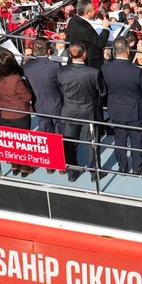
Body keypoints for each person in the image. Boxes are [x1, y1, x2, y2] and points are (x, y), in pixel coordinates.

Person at [102, 38, 142, 176]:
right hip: (135, 110)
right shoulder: (136, 71)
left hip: (116, 109)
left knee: (119, 139)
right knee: (136, 140)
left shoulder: (106, 68)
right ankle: (137, 167)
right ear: (128, 50)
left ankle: (122, 166)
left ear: (115, 51)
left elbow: (104, 89)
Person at [57, 43, 104, 181]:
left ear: (70, 55)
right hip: (89, 112)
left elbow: (61, 88)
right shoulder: (93, 72)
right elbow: (102, 92)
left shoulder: (62, 71)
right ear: (84, 54)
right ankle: (95, 173)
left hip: (70, 111)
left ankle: (72, 173)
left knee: (70, 143)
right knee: (92, 143)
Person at [0, 51, 35, 177]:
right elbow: (27, 97)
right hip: (20, 113)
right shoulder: (15, 79)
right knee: (23, 142)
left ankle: (15, 165)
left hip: (4, 112)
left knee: (11, 141)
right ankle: (25, 168)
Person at [23, 38, 64, 138]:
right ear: (49, 51)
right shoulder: (56, 66)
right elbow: (62, 84)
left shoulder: (27, 66)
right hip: (56, 104)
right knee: (60, 132)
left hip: (39, 104)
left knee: (46, 133)